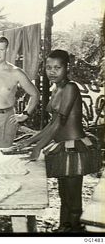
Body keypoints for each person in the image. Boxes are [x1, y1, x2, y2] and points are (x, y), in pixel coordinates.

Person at [16, 49, 102, 232]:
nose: (52, 71)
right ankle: (64, 228)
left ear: (67, 68)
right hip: (62, 147)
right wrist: (29, 141)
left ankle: (75, 232)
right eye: (48, 67)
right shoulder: (56, 88)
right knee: (64, 194)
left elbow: (60, 123)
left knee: (73, 198)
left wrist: (38, 147)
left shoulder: (70, 87)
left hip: (73, 149)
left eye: (57, 67)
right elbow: (52, 124)